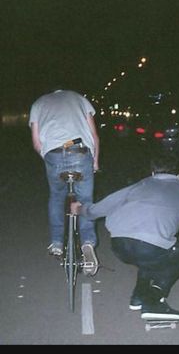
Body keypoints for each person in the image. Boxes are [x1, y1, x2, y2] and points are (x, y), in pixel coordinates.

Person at [70, 152, 179, 320]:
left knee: (151, 258)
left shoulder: (139, 185)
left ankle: (138, 296)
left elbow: (99, 209)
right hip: (149, 248)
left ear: (153, 172)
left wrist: (80, 209)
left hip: (119, 244)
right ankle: (153, 301)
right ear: (178, 173)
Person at [29, 88, 99, 276]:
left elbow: (37, 143)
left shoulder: (38, 103)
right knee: (85, 200)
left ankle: (57, 243)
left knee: (57, 196)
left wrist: (50, 159)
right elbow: (94, 135)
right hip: (80, 152)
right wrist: (95, 161)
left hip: (53, 154)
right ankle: (87, 243)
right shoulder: (79, 98)